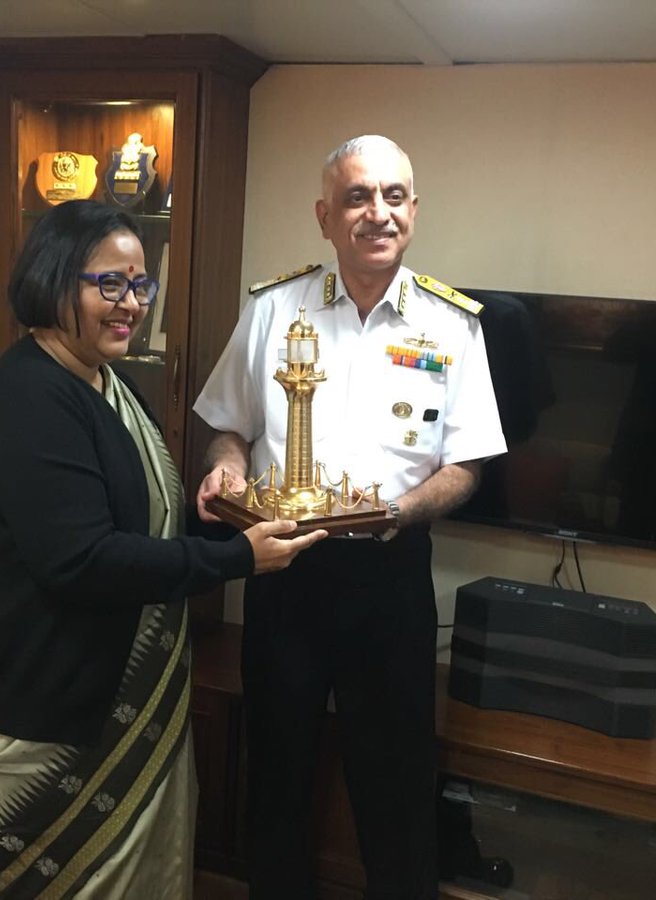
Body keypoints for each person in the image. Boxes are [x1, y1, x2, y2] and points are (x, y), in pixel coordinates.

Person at [0, 199, 325, 899]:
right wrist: (237, 560)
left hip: (118, 690)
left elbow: (146, 523)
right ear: (55, 281)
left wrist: (219, 520)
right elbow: (81, 561)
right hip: (41, 707)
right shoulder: (23, 396)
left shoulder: (110, 384)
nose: (131, 304)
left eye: (141, 284)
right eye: (108, 283)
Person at [193, 135, 507, 899]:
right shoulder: (275, 308)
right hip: (283, 570)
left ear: (414, 211)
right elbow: (228, 423)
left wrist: (402, 508)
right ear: (325, 216)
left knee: (395, 781)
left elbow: (466, 466)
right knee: (278, 769)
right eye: (359, 198)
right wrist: (227, 466)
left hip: (390, 577)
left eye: (394, 196)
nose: (379, 213)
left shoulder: (451, 325)